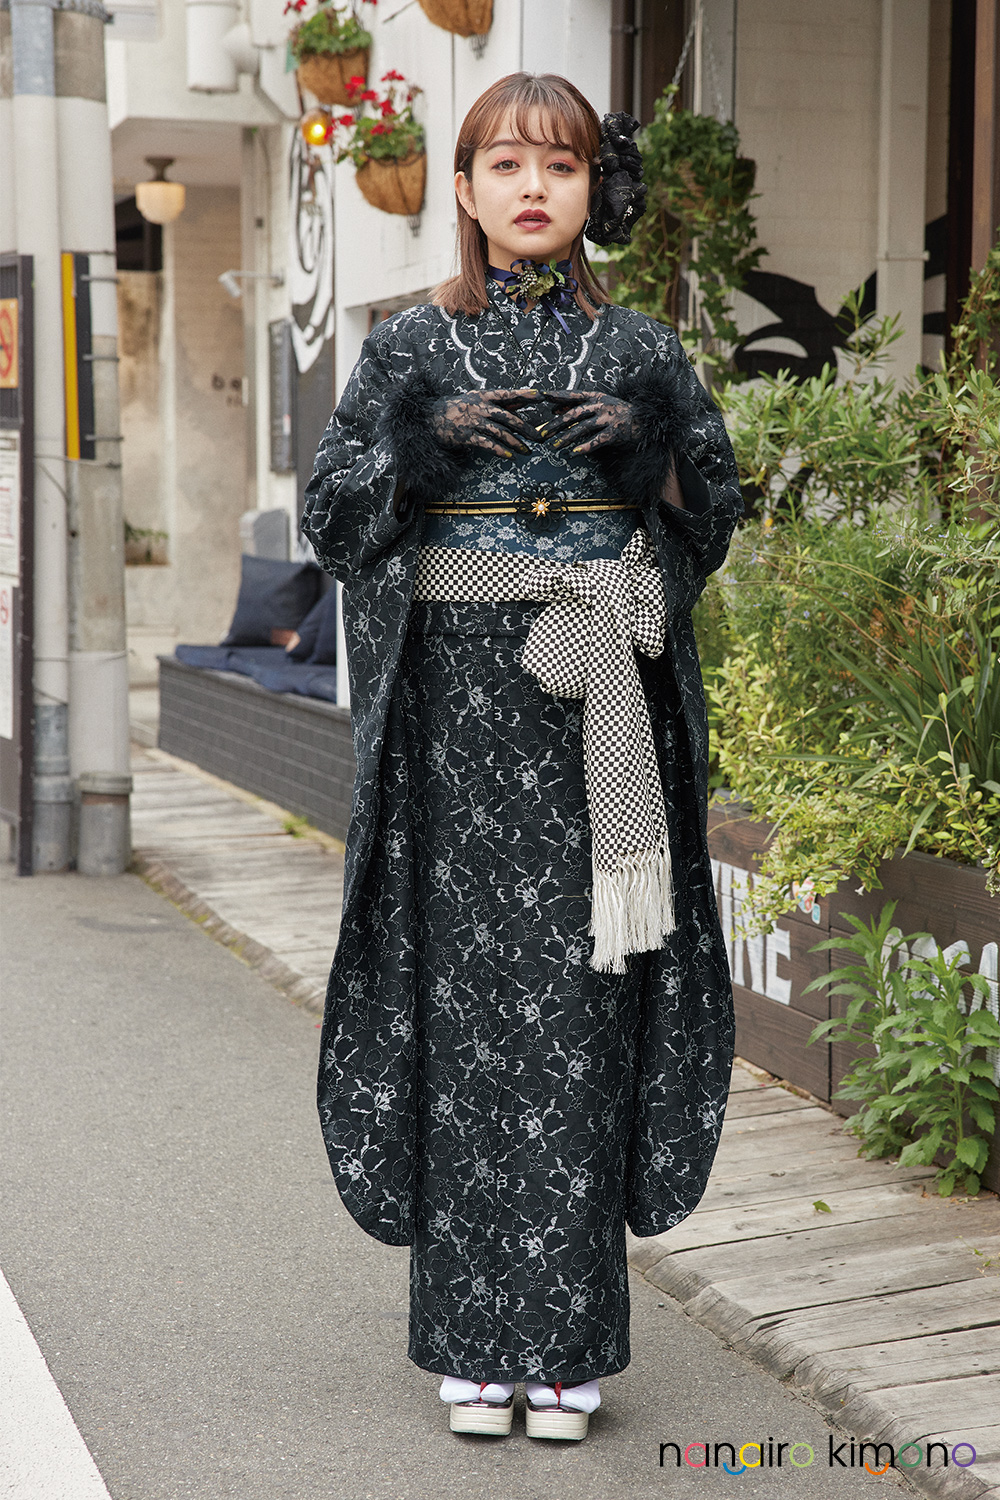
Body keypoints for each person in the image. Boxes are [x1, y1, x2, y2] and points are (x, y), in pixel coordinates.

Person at [302, 71, 742, 1444]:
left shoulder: (650, 356)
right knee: (467, 1017)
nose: (531, 186)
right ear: (468, 189)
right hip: (456, 732)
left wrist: (661, 457)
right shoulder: (407, 348)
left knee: (592, 1009)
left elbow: (715, 513)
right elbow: (329, 514)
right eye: (503, 162)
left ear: (587, 189)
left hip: (599, 715)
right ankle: (469, 1345)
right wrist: (414, 452)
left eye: (555, 163)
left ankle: (568, 1350)